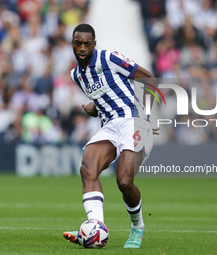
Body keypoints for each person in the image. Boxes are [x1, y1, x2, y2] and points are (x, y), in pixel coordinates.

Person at [63, 24, 157, 248]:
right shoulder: (76, 75)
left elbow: (149, 78)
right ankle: (95, 228)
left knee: (124, 181)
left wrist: (147, 116)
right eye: (78, 43)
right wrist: (94, 108)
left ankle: (137, 227)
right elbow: (106, 97)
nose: (83, 47)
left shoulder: (109, 58)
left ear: (94, 43)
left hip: (133, 121)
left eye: (87, 43)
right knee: (88, 168)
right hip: (110, 126)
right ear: (73, 44)